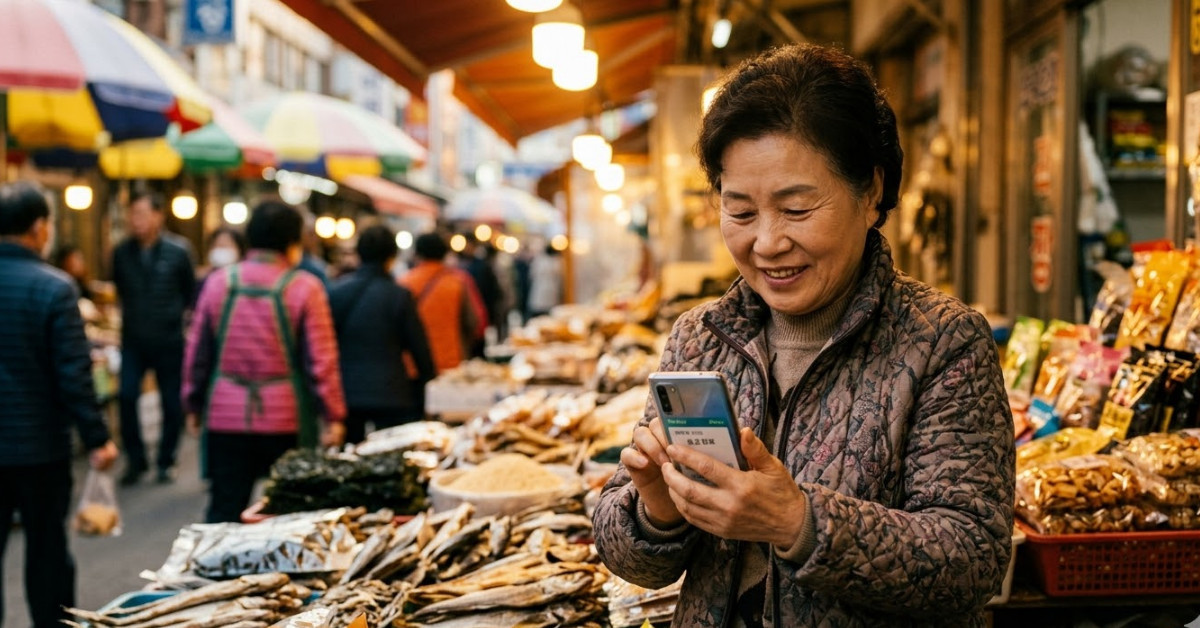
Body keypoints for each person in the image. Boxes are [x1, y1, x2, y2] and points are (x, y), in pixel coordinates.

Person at [592, 44, 1015, 627]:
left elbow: (972, 560)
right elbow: (628, 557)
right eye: (740, 213)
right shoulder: (701, 335)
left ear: (870, 192)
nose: (766, 243)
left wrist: (797, 521)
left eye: (795, 210)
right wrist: (657, 513)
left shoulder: (942, 342)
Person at [183, 200, 346, 523]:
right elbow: (321, 362)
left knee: (224, 510)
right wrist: (333, 415)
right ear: (293, 242)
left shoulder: (219, 283)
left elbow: (197, 352)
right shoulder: (305, 288)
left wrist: (193, 403)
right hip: (285, 420)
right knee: (289, 512)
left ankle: (215, 571)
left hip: (225, 416)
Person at [0, 181, 118, 628]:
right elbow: (74, 374)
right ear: (38, 228)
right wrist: (98, 437)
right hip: (38, 447)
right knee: (46, 549)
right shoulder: (55, 287)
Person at [111, 191, 196, 485]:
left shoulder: (179, 250)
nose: (136, 221)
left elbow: (189, 293)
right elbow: (120, 290)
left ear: (159, 216)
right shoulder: (122, 252)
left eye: (143, 214)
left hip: (169, 339)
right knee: (126, 396)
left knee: (171, 403)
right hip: (133, 339)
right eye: (132, 215)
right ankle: (135, 460)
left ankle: (165, 459)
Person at [330, 225, 436, 443]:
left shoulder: (337, 292)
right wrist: (428, 384)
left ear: (359, 254)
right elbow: (419, 348)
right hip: (392, 391)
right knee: (392, 457)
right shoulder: (400, 296)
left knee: (350, 459)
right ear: (392, 257)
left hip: (348, 391)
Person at [401, 232, 487, 374]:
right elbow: (476, 322)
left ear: (417, 254)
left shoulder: (405, 283)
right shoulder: (459, 281)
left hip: (413, 365)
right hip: (451, 362)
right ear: (445, 253)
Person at [460, 236, 502, 356]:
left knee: (478, 349)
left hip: (479, 312)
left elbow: (492, 291)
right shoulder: (461, 264)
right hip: (468, 316)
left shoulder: (482, 266)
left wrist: (490, 315)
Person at [194, 226, 246, 304]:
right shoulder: (203, 280)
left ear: (240, 250)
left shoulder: (246, 281)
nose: (221, 250)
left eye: (226, 245)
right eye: (217, 245)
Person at [526, 244, 562, 318]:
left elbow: (531, 275)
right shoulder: (557, 262)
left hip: (544, 292)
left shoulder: (539, 261)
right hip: (547, 292)